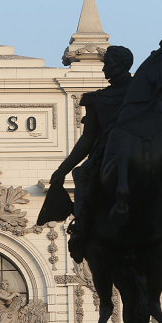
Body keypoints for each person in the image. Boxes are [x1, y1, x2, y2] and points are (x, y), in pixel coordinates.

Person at [48, 46, 135, 259]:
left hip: (139, 149)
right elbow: (88, 138)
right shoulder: (98, 99)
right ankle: (81, 225)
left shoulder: (142, 93)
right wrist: (63, 169)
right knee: (83, 173)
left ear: (120, 65)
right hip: (107, 154)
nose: (104, 68)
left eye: (108, 64)